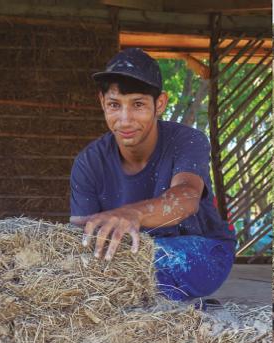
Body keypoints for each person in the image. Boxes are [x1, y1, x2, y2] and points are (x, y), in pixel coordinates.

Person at [70, 48, 236, 302]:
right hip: (128, 255)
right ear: (102, 102)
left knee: (151, 263)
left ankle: (165, 314)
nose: (125, 120)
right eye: (115, 105)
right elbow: (81, 236)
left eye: (138, 105)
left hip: (200, 250)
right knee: (86, 270)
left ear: (160, 104)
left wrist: (132, 214)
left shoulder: (187, 141)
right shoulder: (88, 161)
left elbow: (187, 197)